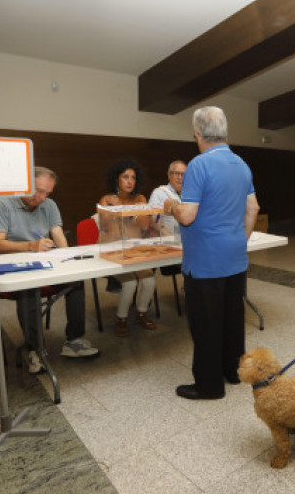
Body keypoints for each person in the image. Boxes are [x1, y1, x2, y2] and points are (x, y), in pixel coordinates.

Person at [162, 106, 259, 400]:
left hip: (205, 261)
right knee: (232, 318)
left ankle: (208, 385)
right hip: (235, 256)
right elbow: (253, 208)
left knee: (206, 324)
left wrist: (170, 206)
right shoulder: (242, 164)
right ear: (225, 131)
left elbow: (188, 215)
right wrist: (237, 240)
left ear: (198, 135)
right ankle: (232, 371)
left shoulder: (199, 165)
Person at [0, 166, 99, 374]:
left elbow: (58, 234)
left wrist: (68, 258)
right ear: (25, 184)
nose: (42, 198)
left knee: (75, 282)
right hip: (14, 265)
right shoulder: (2, 204)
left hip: (45, 262)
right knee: (30, 289)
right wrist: (30, 246)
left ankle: (74, 340)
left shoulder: (49, 205)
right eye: (39, 191)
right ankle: (35, 349)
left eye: (47, 193)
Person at [98, 159, 157, 337]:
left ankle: (141, 313)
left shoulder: (140, 199)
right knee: (130, 283)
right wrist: (113, 210)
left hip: (135, 250)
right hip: (113, 251)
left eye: (133, 177)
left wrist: (128, 211)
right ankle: (121, 319)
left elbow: (146, 225)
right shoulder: (107, 199)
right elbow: (104, 226)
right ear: (117, 179)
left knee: (149, 281)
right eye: (125, 177)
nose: (130, 181)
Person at [148, 160, 186, 242]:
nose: (180, 177)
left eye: (183, 174)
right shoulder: (159, 193)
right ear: (169, 175)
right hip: (167, 243)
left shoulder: (190, 195)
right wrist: (171, 238)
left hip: (187, 243)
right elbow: (155, 220)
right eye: (176, 173)